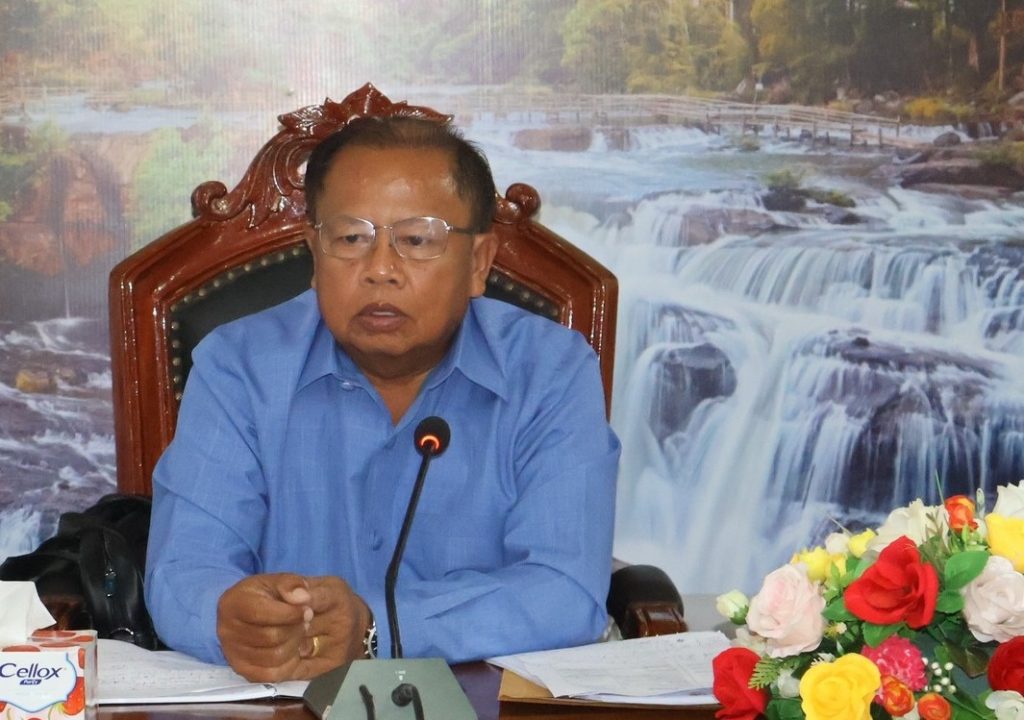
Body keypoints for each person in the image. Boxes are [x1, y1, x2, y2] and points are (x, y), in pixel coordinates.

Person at [144, 115, 620, 682]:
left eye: (417, 240)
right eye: (351, 238)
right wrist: (231, 618)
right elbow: (182, 571)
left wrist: (376, 628)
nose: (380, 270)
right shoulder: (239, 367)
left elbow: (565, 590)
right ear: (314, 254)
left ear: (478, 263)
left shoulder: (549, 371)